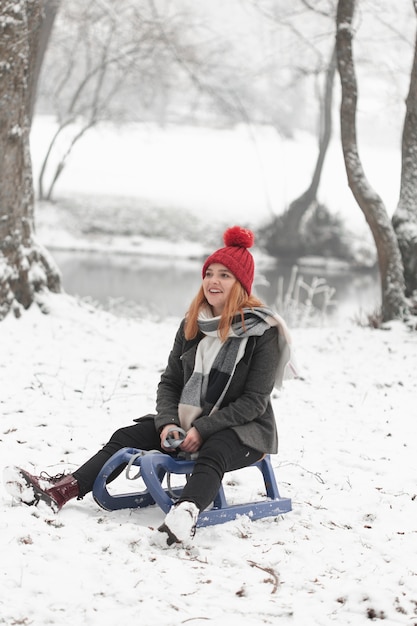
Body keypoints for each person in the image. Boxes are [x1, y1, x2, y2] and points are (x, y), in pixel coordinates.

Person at [4, 225, 296, 547]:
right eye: (209, 272)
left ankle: (186, 514)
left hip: (244, 431)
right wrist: (169, 423)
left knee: (214, 449)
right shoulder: (192, 324)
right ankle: (62, 490)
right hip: (186, 423)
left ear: (240, 284)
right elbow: (170, 382)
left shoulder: (262, 332)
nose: (213, 281)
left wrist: (204, 428)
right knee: (126, 437)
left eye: (225, 275)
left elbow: (254, 402)